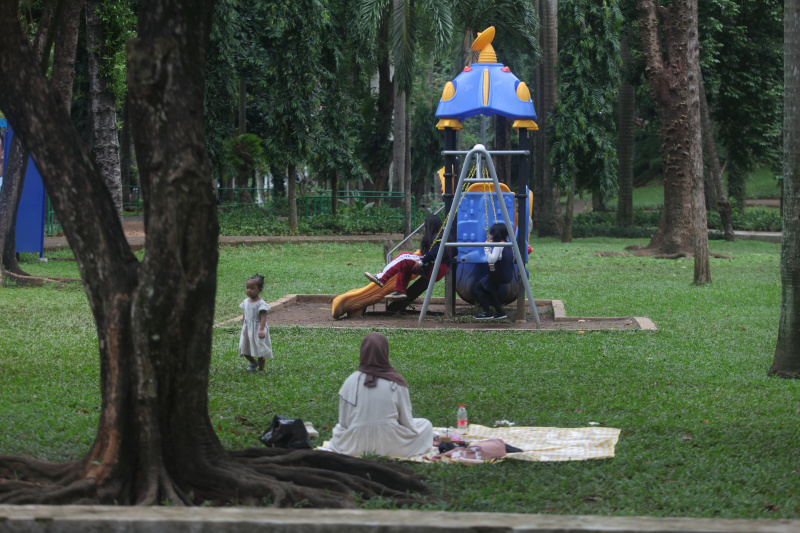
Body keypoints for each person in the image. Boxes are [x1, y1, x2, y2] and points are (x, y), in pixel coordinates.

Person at [329, 332, 433, 457]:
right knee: (426, 425)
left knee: (337, 430)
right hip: (391, 445)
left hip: (354, 447)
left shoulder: (350, 382)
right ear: (385, 352)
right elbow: (406, 421)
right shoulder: (396, 382)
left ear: (362, 352)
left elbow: (344, 422)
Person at [364, 214, 454, 301]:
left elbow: (434, 253)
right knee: (405, 265)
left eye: (425, 226)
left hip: (435, 267)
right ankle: (400, 290)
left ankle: (381, 278)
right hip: (440, 269)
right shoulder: (447, 236)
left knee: (403, 256)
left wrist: (421, 261)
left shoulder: (439, 236)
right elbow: (454, 251)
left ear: (430, 226)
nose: (424, 228)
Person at [473, 223, 514, 320]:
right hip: (507, 275)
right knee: (489, 288)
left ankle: (487, 311)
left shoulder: (498, 245)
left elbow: (491, 260)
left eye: (492, 234)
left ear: (497, 234)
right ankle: (500, 312)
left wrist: (487, 247)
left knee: (479, 286)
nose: (491, 236)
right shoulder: (510, 245)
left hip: (498, 275)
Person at [239, 273, 273, 372]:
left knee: (260, 350)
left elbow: (263, 317)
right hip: (247, 328)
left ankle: (261, 369)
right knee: (244, 348)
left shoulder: (261, 304)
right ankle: (253, 362)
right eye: (247, 287)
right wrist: (243, 325)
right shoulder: (245, 302)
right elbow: (245, 314)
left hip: (258, 328)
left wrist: (261, 329)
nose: (249, 290)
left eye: (252, 288)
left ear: (260, 289)